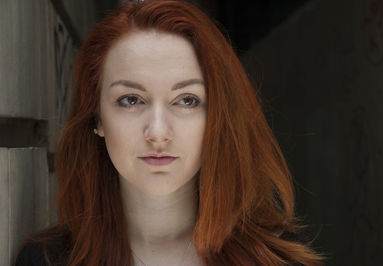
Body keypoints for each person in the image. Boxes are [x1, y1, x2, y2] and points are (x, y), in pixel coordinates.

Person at [14, 0, 323, 265]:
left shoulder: (277, 258)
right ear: (97, 119)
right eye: (131, 100)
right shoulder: (47, 260)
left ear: (217, 116)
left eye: (187, 100)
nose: (158, 132)